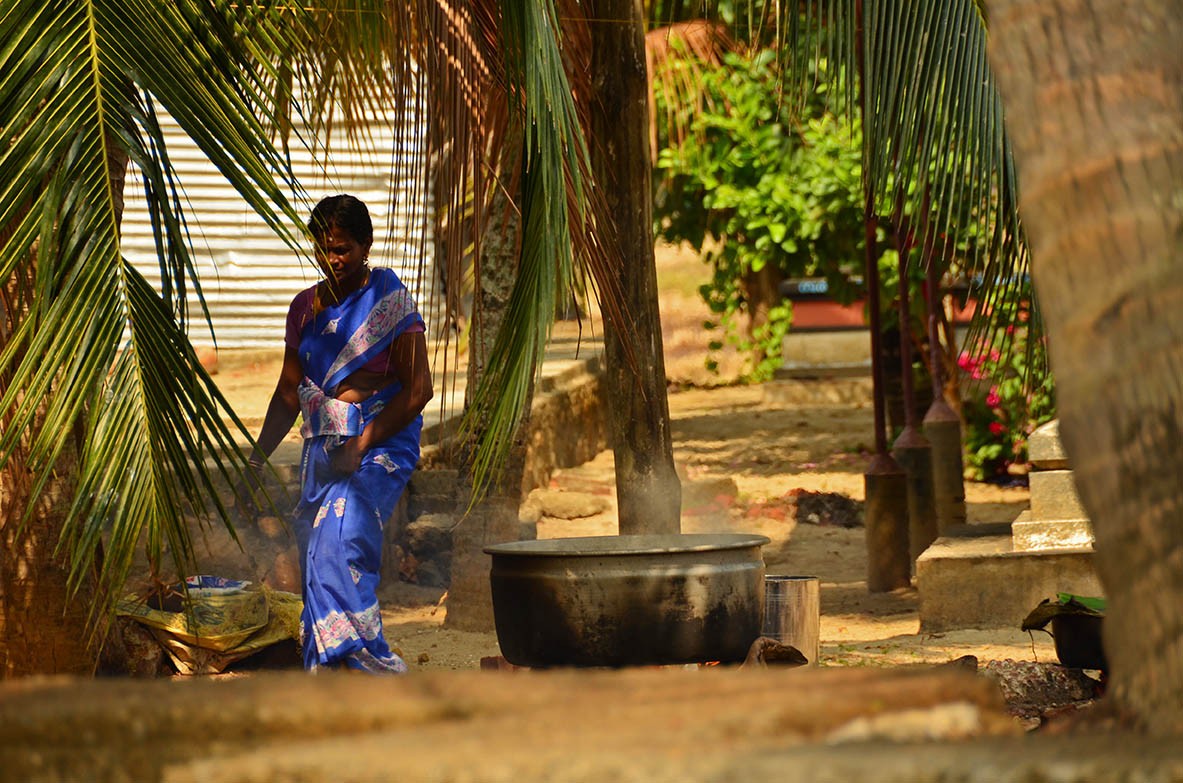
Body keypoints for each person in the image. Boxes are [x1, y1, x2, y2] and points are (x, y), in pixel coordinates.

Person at [244, 194, 432, 673]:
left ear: (366, 245)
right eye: (324, 248)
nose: (333, 259)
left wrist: (364, 440)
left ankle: (371, 668)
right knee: (318, 553)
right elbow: (289, 394)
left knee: (340, 539)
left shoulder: (390, 301)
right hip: (325, 451)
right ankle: (332, 671)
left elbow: (419, 389)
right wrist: (255, 459)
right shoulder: (304, 309)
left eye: (343, 248)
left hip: (381, 447)